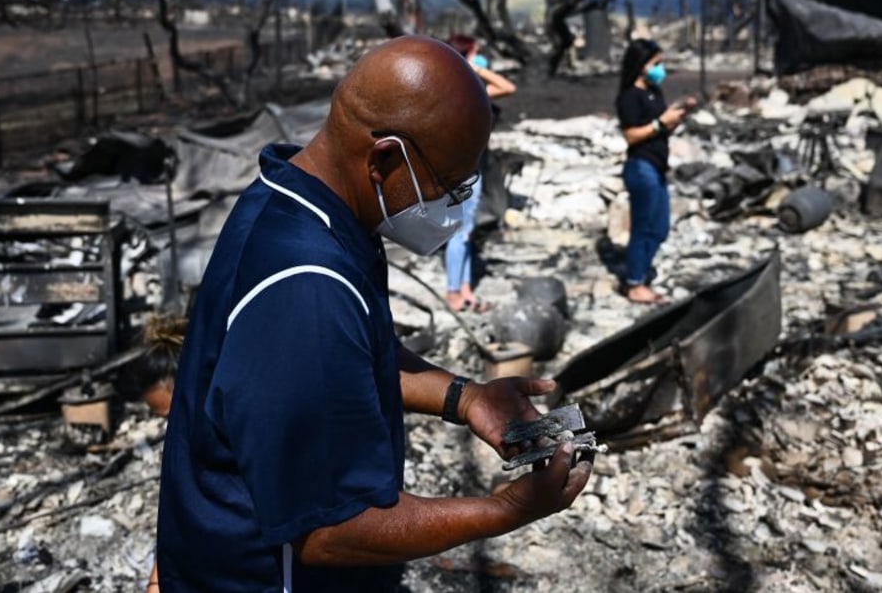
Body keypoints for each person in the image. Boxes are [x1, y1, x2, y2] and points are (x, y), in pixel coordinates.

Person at [151, 36, 592, 592]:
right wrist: (504, 510)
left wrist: (465, 397)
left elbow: (355, 354)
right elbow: (330, 529)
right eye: (449, 184)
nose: (454, 203)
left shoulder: (296, 198)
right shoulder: (307, 287)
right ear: (384, 159)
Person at [614, 39, 694, 305]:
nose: (660, 69)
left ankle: (641, 272)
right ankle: (634, 283)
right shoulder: (629, 97)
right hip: (641, 167)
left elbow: (661, 126)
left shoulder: (653, 92)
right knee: (643, 226)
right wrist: (661, 124)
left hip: (658, 166)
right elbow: (632, 135)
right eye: (655, 64)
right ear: (640, 65)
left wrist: (677, 116)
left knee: (659, 227)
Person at [443, 34, 516, 313]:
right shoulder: (461, 93)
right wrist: (475, 69)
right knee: (459, 232)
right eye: (477, 54)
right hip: (464, 172)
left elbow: (507, 87)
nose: (482, 59)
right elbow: (507, 86)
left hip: (475, 167)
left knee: (467, 231)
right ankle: (453, 293)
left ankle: (464, 289)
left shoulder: (467, 90)